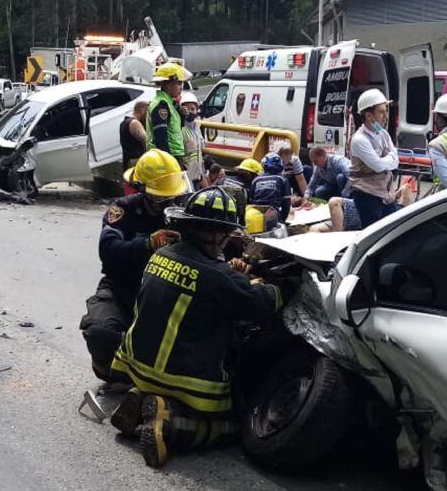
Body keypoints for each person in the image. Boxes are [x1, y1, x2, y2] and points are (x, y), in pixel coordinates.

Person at [108, 187, 282, 468]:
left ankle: (141, 398)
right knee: (235, 425)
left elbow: (205, 283)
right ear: (217, 234)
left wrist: (230, 276)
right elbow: (260, 303)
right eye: (225, 233)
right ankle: (169, 425)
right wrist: (282, 286)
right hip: (187, 384)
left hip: (135, 367)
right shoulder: (216, 274)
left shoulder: (160, 254)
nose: (226, 240)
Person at [80, 149, 189, 381]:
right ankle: (109, 371)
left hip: (163, 295)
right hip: (122, 289)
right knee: (101, 333)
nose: (169, 204)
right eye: (162, 199)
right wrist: (147, 244)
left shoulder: (183, 214)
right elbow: (108, 252)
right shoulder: (123, 210)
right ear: (143, 192)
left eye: (173, 198)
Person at [348, 88, 400, 228]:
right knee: (373, 235)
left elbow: (396, 160)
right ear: (369, 116)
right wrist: (388, 158)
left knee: (391, 232)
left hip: (385, 195)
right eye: (382, 112)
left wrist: (387, 159)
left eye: (386, 111)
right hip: (368, 195)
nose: (386, 116)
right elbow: (378, 166)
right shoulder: (359, 140)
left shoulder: (382, 134)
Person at [146, 63, 188, 165]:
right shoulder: (162, 105)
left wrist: (181, 115)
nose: (181, 87)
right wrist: (169, 162)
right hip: (167, 158)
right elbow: (161, 137)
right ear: (168, 84)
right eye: (178, 83)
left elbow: (174, 129)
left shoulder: (169, 103)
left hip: (171, 156)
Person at [250, 153, 292, 222]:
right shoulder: (282, 179)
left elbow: (250, 199)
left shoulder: (256, 180)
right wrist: (283, 219)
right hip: (273, 213)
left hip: (254, 213)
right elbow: (286, 202)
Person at [179, 92, 205, 188]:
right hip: (185, 176)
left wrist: (202, 172)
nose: (190, 111)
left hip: (197, 174)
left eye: (193, 109)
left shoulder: (197, 127)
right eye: (187, 109)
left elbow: (200, 152)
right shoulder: (180, 129)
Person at [120, 100, 148, 172]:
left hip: (128, 164)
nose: (149, 116)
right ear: (142, 110)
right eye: (148, 112)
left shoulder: (124, 122)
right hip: (136, 164)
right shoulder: (135, 123)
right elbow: (147, 141)